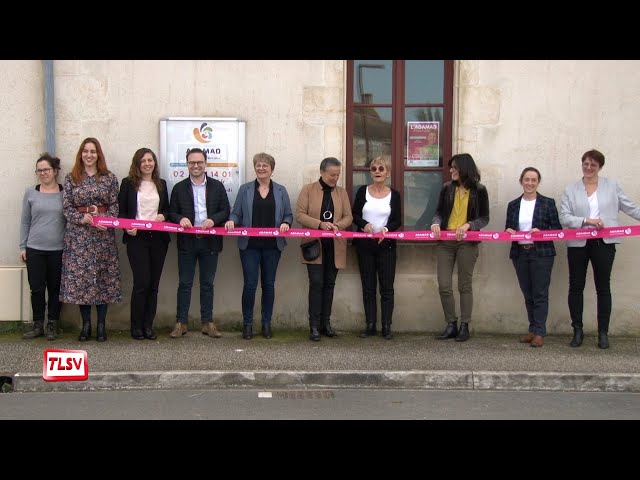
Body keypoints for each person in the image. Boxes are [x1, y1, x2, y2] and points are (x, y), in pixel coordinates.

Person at [559, 149, 640, 349]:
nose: (588, 168)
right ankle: (577, 330)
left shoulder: (612, 186)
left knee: (603, 287)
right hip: (578, 243)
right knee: (575, 286)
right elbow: (564, 216)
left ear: (600, 167)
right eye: (585, 164)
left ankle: (603, 332)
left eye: (593, 165)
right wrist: (586, 220)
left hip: (604, 243)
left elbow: (630, 207)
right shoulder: (571, 189)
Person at [59, 137, 122, 342]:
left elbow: (114, 205)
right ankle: (86, 325)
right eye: (85, 151)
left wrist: (107, 220)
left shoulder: (109, 178)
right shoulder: (71, 178)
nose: (89, 155)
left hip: (103, 235)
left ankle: (101, 326)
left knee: (103, 279)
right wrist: (82, 218)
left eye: (93, 151)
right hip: (79, 237)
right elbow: (66, 207)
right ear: (81, 154)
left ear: (98, 154)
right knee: (83, 282)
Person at [224, 153, 293, 340]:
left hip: (273, 246)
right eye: (258, 165)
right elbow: (236, 213)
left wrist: (286, 223)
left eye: (265, 165)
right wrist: (231, 221)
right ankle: (247, 324)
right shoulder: (245, 189)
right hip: (250, 246)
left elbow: (288, 214)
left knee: (269, 285)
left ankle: (266, 323)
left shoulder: (280, 190)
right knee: (250, 285)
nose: (261, 168)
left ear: (272, 169)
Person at [167, 147, 230, 339]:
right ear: (187, 164)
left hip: (210, 242)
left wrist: (214, 219)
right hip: (187, 242)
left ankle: (207, 323)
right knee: (184, 284)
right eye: (192, 162)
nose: (196, 165)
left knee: (207, 284)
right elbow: (171, 212)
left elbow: (225, 210)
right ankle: (181, 323)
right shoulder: (179, 188)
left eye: (199, 162)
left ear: (205, 164)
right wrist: (180, 219)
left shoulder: (217, 186)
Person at [431, 153, 489, 342]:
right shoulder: (447, 188)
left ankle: (465, 325)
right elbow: (439, 212)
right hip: (446, 242)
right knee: (444, 285)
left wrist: (468, 225)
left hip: (467, 242)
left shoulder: (480, 190)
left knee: (464, 285)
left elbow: (484, 218)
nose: (451, 171)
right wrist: (436, 223)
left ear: (464, 168)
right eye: (450, 167)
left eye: (454, 167)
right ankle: (451, 324)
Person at [296, 157, 353, 341]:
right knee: (316, 283)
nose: (335, 178)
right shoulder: (308, 190)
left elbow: (348, 217)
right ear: (322, 172)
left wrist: (338, 225)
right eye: (332, 174)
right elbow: (300, 215)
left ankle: (325, 324)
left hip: (334, 246)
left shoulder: (342, 193)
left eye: (338, 174)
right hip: (314, 244)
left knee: (329, 284)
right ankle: (313, 326)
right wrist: (319, 224)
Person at [505, 167, 562, 348]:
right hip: (520, 253)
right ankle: (532, 329)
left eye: (533, 180)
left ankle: (539, 332)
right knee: (527, 293)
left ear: (538, 182)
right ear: (521, 181)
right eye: (526, 179)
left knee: (540, 294)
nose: (530, 183)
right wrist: (508, 231)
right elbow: (508, 228)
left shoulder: (547, 203)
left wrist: (542, 232)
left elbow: (557, 230)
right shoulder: (513, 205)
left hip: (541, 254)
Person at [118, 148, 170, 341]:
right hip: (136, 238)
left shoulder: (161, 184)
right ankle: (136, 326)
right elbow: (122, 212)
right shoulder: (128, 184)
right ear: (137, 164)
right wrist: (126, 227)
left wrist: (164, 215)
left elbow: (168, 210)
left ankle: (148, 326)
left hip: (158, 239)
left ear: (155, 163)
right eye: (143, 161)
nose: (147, 163)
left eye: (150, 160)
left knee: (154, 285)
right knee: (142, 283)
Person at [352, 156, 401, 340]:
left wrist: (387, 230)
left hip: (386, 245)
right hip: (364, 245)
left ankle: (386, 326)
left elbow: (397, 220)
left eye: (381, 168)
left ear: (387, 172)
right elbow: (355, 214)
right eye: (374, 169)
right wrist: (363, 224)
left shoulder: (394, 194)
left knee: (387, 288)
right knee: (368, 287)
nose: (377, 172)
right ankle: (370, 324)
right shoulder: (362, 191)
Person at [20, 153, 65, 341]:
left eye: (46, 169)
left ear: (55, 171)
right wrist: (22, 246)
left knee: (55, 289)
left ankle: (52, 324)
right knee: (37, 289)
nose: (43, 173)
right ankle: (38, 324)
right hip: (35, 249)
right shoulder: (31, 193)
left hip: (58, 249)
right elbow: (25, 222)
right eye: (39, 170)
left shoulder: (65, 193)